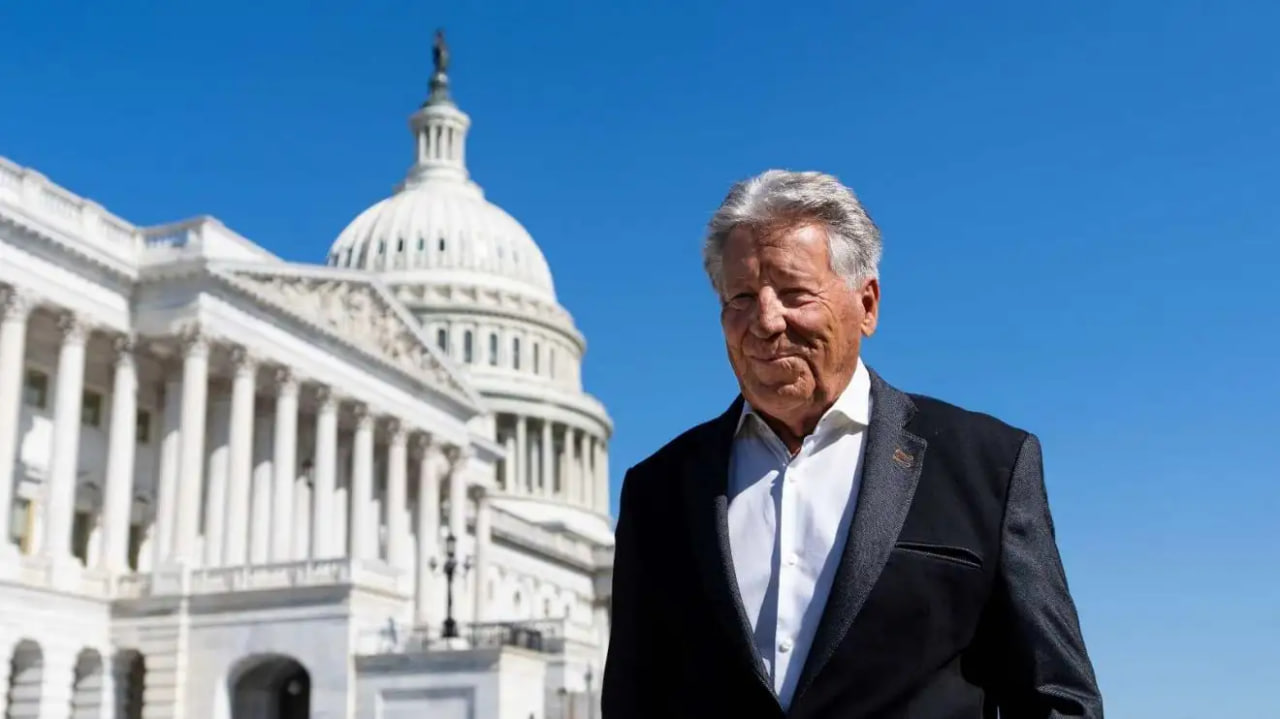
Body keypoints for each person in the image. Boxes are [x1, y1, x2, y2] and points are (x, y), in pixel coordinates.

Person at [601, 170, 1103, 718]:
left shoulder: (986, 466)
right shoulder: (660, 490)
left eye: (795, 293)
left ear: (866, 305)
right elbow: (634, 700)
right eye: (741, 297)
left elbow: (1056, 699)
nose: (766, 322)